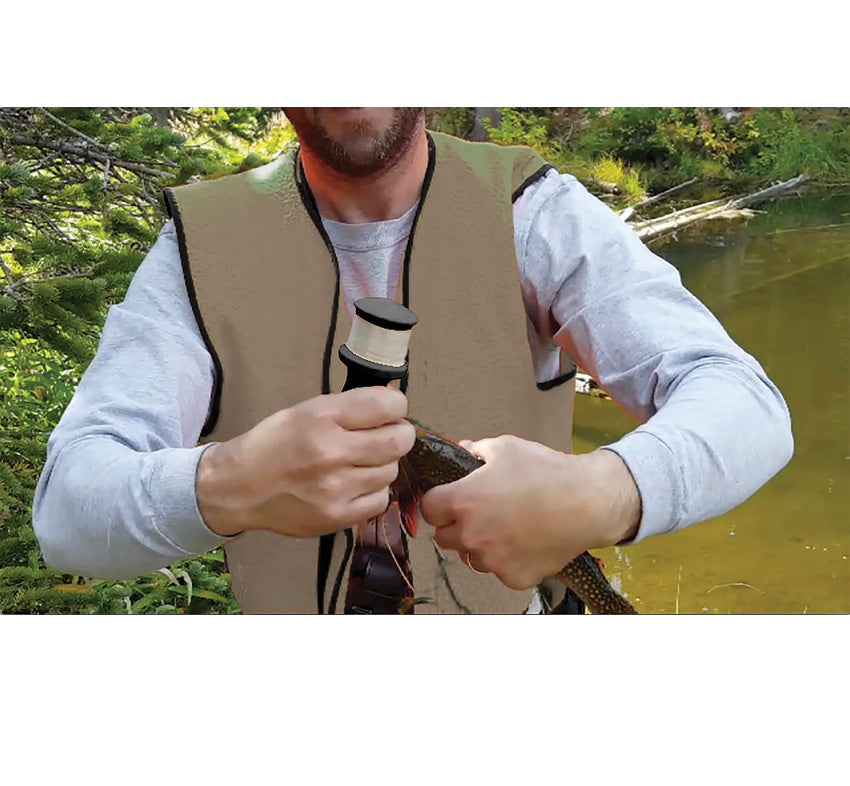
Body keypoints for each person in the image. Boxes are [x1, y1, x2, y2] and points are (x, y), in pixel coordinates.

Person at [32, 107, 793, 614]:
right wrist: (228, 482)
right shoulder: (201, 246)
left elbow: (746, 403)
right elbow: (67, 513)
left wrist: (604, 491)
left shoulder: (534, 212)